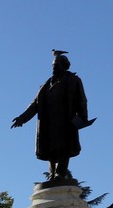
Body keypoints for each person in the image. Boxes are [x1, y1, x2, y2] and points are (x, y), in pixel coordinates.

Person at [11, 50, 93, 182]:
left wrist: (83, 118)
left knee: (64, 147)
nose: (54, 67)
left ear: (64, 66)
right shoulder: (45, 86)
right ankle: (52, 174)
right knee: (49, 147)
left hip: (65, 120)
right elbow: (34, 105)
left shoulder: (73, 80)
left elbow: (81, 100)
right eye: (53, 65)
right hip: (48, 122)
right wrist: (22, 118)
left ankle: (60, 172)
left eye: (57, 64)